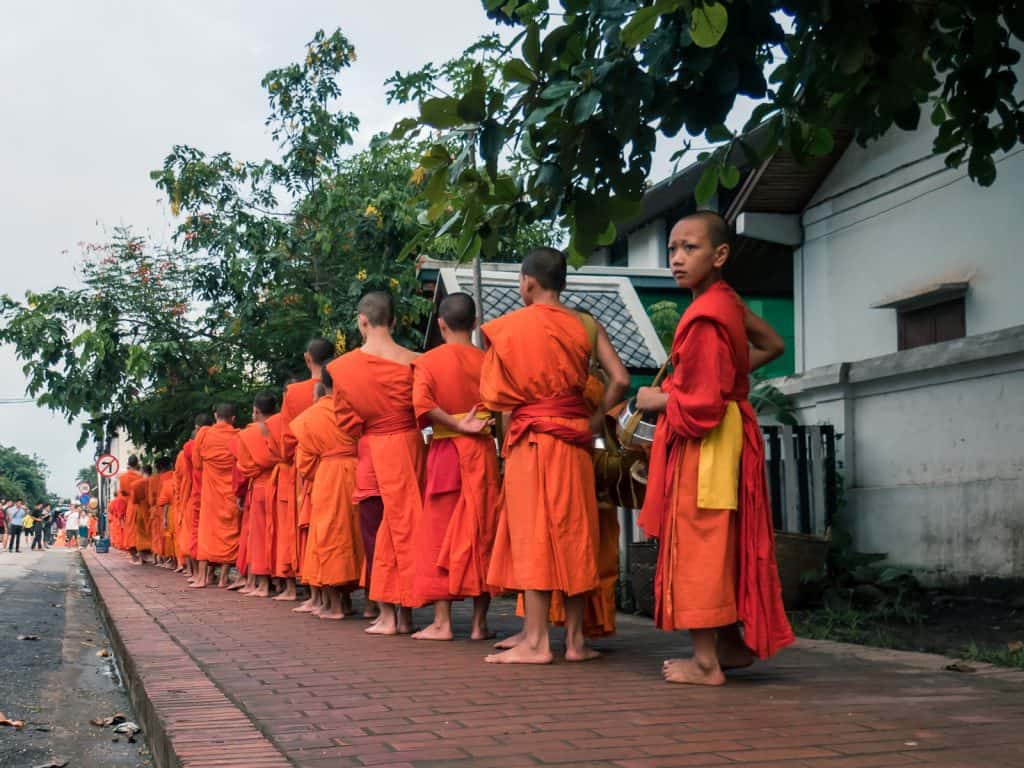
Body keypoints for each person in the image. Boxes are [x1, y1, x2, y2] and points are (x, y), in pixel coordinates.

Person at [636, 211, 794, 686]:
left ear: (720, 254)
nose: (678, 259)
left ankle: (705, 663)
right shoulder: (725, 302)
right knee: (719, 539)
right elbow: (772, 344)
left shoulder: (704, 316)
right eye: (673, 250)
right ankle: (728, 644)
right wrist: (731, 376)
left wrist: (655, 399)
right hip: (729, 434)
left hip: (706, 442)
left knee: (698, 542)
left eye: (690, 248)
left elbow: (700, 405)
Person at [478, 248, 607, 664]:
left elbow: (495, 396)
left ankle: (536, 642)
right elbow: (619, 379)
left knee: (534, 532)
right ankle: (575, 643)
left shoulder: (509, 329)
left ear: (529, 282)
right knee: (574, 532)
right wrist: (594, 420)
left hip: (532, 439)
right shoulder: (584, 325)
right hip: (574, 439)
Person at [326, 292, 425, 635]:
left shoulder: (344, 368)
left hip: (373, 451)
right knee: (409, 526)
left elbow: (345, 422)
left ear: (362, 321)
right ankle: (409, 612)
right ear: (394, 321)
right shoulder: (416, 360)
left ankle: (386, 613)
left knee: (375, 529)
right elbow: (425, 409)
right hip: (411, 450)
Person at [408, 293, 502, 641]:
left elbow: (422, 404)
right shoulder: (488, 361)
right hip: (481, 452)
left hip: (447, 451)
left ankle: (443, 623)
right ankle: (480, 625)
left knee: (438, 532)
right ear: (475, 323)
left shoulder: (428, 362)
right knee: (481, 530)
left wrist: (457, 424)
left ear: (441, 324)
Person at [291, 369, 363, 620]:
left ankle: (335, 605)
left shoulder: (310, 417)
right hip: (358, 471)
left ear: (322, 385)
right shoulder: (356, 409)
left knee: (329, 535)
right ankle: (364, 603)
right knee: (356, 534)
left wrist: (318, 473)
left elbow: (305, 462)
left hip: (328, 475)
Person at [275, 338, 333, 605]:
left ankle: (315, 593)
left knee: (309, 530)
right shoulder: (342, 385)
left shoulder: (294, 393)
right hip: (341, 464)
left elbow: (286, 441)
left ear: (308, 358)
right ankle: (342, 597)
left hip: (305, 467)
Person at [234, 392, 280, 598]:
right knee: (280, 534)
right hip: (282, 484)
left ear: (256, 411)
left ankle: (262, 584)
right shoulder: (282, 426)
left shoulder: (248, 434)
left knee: (260, 536)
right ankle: (280, 582)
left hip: (261, 488)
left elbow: (245, 467)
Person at [193, 403, 242, 588]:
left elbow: (197, 464)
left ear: (215, 416)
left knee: (207, 533)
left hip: (211, 494)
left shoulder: (204, 435)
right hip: (230, 493)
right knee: (229, 533)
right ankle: (223, 578)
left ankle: (202, 577)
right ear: (233, 419)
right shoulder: (238, 436)